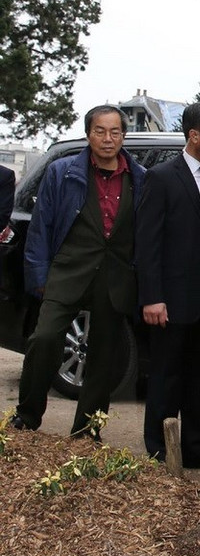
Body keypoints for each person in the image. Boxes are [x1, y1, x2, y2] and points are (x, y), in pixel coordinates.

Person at [12, 106, 145, 437]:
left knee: (104, 356)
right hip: (69, 269)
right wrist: (39, 275)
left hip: (115, 277)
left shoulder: (139, 176)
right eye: (100, 131)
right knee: (43, 339)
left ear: (123, 136)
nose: (107, 138)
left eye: (115, 132)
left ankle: (87, 430)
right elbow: (41, 226)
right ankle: (27, 416)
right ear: (89, 134)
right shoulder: (62, 171)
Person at [136, 102, 200, 472]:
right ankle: (160, 450)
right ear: (194, 135)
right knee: (167, 372)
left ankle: (196, 446)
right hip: (173, 296)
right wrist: (152, 297)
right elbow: (147, 243)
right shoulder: (162, 177)